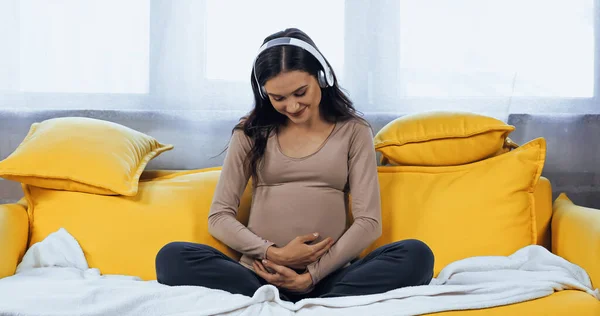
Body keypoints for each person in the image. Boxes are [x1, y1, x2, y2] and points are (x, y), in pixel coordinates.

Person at [155, 28, 434, 302]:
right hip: (258, 276)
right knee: (171, 257)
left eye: (300, 92)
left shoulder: (354, 130)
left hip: (330, 277)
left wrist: (311, 276)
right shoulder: (250, 132)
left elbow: (368, 222)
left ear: (322, 78)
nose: (292, 106)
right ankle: (293, 300)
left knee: (416, 255)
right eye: (278, 98)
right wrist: (273, 253)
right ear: (265, 94)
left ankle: (305, 300)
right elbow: (219, 217)